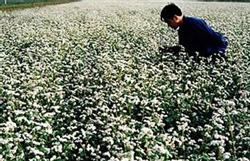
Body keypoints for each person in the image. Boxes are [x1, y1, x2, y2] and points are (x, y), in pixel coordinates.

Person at [160, 3, 228, 59]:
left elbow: (214, 41)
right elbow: (184, 48)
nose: (169, 25)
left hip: (216, 53)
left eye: (169, 22)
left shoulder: (194, 24)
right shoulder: (183, 28)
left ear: (175, 18)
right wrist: (169, 50)